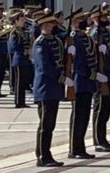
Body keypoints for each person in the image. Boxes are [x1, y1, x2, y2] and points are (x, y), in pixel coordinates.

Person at [32, 13, 68, 167]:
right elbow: (44, 67)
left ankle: (46, 153)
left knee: (50, 124)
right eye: (48, 24)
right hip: (45, 87)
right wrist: (61, 79)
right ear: (42, 26)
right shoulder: (40, 43)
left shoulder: (56, 41)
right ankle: (42, 155)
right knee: (45, 124)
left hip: (54, 88)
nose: (51, 26)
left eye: (52, 24)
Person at [90, 6, 110, 153]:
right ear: (96, 19)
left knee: (106, 109)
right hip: (102, 76)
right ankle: (98, 140)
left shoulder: (108, 32)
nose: (106, 19)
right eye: (103, 18)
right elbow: (94, 57)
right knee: (100, 109)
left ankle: (103, 139)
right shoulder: (95, 33)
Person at [9, 9, 32, 108]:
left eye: (24, 20)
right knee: (19, 82)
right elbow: (14, 46)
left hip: (26, 59)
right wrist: (24, 50)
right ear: (16, 21)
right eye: (21, 20)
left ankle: (22, 101)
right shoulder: (15, 32)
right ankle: (18, 102)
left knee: (23, 82)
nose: (24, 22)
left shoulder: (24, 31)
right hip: (19, 59)